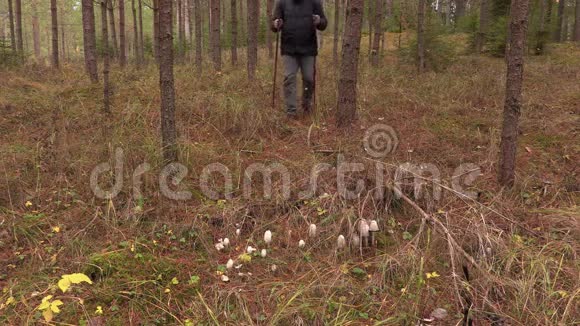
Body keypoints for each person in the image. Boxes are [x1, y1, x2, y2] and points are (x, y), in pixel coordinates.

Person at [271, 0, 327, 118]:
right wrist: (276, 23)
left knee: (309, 78)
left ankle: (306, 105)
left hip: (308, 49)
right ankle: (291, 111)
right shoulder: (282, 3)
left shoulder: (314, 2)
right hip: (289, 48)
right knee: (289, 77)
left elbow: (324, 23)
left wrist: (318, 21)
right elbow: (273, 25)